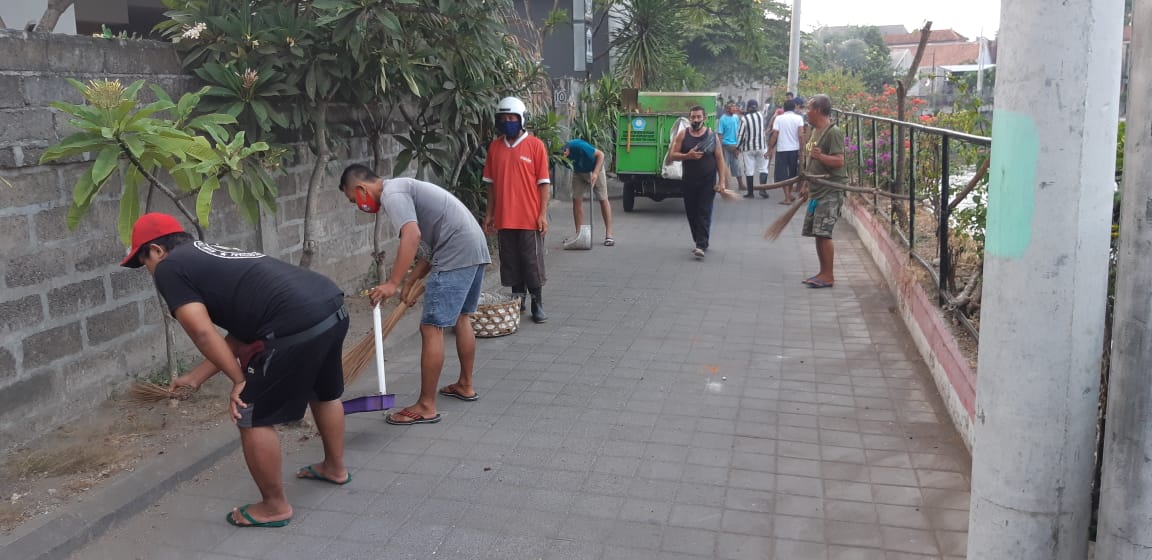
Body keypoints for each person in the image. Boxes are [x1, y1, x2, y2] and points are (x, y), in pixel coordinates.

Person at [123, 212, 349, 528]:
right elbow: (241, 331)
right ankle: (334, 468)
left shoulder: (169, 268)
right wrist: (196, 377)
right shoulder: (208, 254)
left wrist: (239, 380)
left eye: (143, 261)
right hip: (329, 304)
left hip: (293, 323)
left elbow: (202, 332)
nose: (148, 270)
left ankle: (274, 507)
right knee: (322, 393)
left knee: (250, 411)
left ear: (157, 250)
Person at [339, 166, 492, 425]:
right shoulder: (403, 188)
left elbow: (412, 235)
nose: (358, 206)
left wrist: (392, 283)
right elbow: (429, 247)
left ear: (362, 189)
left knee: (431, 328)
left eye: (354, 200)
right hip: (473, 248)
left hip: (455, 253)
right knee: (462, 317)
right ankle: (465, 384)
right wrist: (409, 283)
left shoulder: (392, 194)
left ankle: (426, 406)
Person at [482, 96, 552, 323]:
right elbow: (490, 185)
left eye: (512, 118)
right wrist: (490, 214)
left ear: (522, 119)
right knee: (510, 262)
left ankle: (537, 303)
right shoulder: (494, 148)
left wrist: (542, 215)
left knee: (532, 262)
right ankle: (517, 300)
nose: (508, 122)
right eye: (503, 118)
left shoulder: (535, 146)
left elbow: (544, 184)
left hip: (529, 218)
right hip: (504, 218)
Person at [667, 105, 727, 259]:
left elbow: (720, 159)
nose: (696, 120)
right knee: (691, 212)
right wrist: (688, 156)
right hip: (689, 180)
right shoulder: (683, 134)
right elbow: (672, 155)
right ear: (689, 119)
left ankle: (701, 244)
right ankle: (698, 239)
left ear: (704, 118)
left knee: (704, 211)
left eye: (699, 117)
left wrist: (722, 182)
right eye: (693, 117)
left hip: (708, 180)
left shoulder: (711, 136)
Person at [800, 94, 848, 289]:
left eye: (808, 108)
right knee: (817, 233)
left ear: (818, 110)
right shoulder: (815, 131)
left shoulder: (833, 132)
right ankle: (822, 272)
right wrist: (806, 185)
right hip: (816, 190)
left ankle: (828, 276)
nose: (806, 112)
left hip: (830, 191)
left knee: (824, 233)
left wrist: (822, 157)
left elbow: (839, 161)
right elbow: (811, 159)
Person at [561, 138, 615, 247]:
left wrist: (595, 173)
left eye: (564, 153)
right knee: (576, 200)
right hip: (579, 172)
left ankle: (609, 234)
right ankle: (579, 234)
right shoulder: (561, 157)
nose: (563, 156)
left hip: (595, 169)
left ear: (567, 149)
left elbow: (601, 155)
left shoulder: (579, 147)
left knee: (603, 199)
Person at [770, 99, 805, 204]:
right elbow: (801, 135)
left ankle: (787, 197)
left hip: (782, 149)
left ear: (784, 108)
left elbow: (775, 135)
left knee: (782, 174)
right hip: (794, 149)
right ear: (794, 108)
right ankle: (789, 194)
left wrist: (770, 149)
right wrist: (801, 149)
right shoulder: (799, 118)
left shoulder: (779, 118)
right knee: (792, 173)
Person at [737, 99, 770, 199]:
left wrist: (737, 147)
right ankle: (762, 190)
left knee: (749, 170)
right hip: (762, 147)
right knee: (763, 168)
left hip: (748, 148)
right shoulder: (761, 115)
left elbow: (741, 135)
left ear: (748, 107)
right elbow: (765, 110)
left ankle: (750, 193)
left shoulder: (744, 119)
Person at [717, 102, 742, 189]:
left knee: (737, 166)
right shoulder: (722, 119)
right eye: (733, 107)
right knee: (724, 167)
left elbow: (739, 131)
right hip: (726, 146)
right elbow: (720, 134)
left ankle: (741, 184)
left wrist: (738, 146)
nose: (735, 109)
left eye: (735, 107)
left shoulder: (736, 117)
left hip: (735, 146)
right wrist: (720, 148)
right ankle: (724, 185)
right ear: (727, 109)